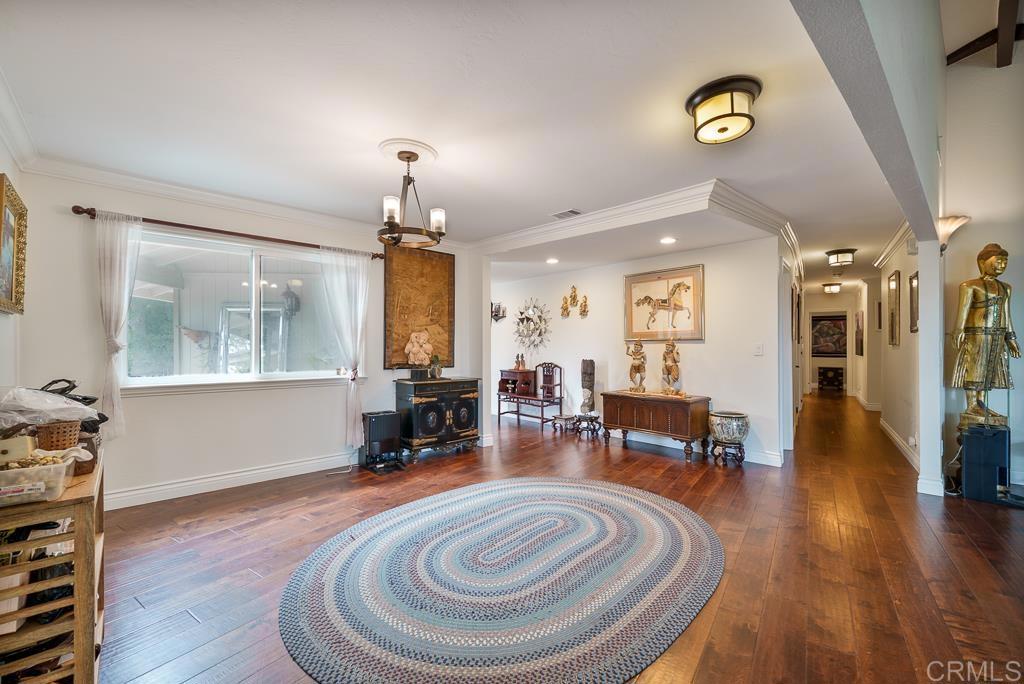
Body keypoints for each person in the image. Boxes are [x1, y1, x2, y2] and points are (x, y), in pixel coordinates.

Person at [951, 243, 1019, 425]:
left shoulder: (1006, 288)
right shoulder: (969, 286)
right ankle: (972, 404)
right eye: (998, 261)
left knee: (989, 370)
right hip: (976, 335)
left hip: (997, 335)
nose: (1002, 265)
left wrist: (1010, 337)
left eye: (1005, 262)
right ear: (982, 262)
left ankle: (981, 403)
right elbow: (963, 312)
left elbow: (1006, 314)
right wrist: (958, 331)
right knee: (974, 368)